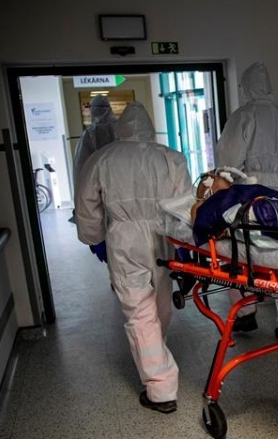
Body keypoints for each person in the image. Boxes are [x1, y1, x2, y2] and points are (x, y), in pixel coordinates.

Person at [75, 102, 192, 414]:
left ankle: (160, 386)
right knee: (162, 302)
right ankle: (157, 359)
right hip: (163, 236)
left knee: (139, 310)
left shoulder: (103, 159)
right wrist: (187, 245)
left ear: (120, 127)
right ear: (150, 127)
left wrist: (92, 236)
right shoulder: (171, 157)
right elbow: (186, 205)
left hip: (124, 239)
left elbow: (86, 204)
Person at [215, 62, 278, 338]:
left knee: (242, 251)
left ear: (247, 88)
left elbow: (228, 162)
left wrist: (220, 190)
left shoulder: (243, 116)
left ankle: (245, 312)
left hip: (254, 188)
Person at [70, 95, 117, 224]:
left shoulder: (89, 134)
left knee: (100, 223)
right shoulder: (121, 130)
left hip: (97, 187)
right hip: (121, 186)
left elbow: (80, 167)